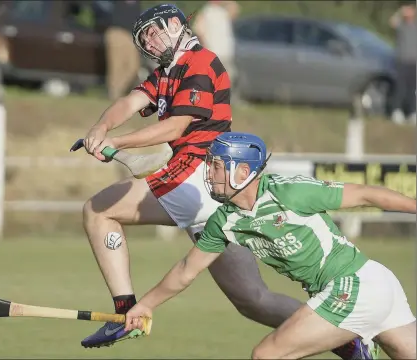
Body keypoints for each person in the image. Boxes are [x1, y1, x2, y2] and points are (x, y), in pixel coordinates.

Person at [79, 4, 377, 358]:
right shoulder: (167, 73)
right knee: (253, 300)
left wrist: (119, 141)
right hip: (212, 196)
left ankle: (123, 310)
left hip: (200, 176)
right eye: (145, 39)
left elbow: (177, 126)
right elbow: (130, 101)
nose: (152, 42)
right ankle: (347, 340)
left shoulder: (200, 62)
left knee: (98, 210)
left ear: (176, 24)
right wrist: (101, 127)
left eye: (155, 32)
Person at [124, 132, 416, 359]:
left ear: (242, 172)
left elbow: (365, 195)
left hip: (354, 284)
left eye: (215, 166)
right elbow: (187, 269)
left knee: (268, 355)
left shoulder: (288, 192)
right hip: (367, 288)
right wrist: (146, 305)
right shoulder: (224, 220)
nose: (208, 174)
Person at [104, 0, 141, 101]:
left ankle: (116, 93)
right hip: (117, 32)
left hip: (130, 36)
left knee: (133, 67)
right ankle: (113, 95)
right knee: (116, 67)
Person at [389, 3, 416, 125]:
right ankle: (396, 111)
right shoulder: (401, 26)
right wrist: (401, 11)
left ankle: (411, 113)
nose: (410, 13)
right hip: (402, 61)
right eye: (408, 11)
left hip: (414, 62)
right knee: (400, 87)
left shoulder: (415, 27)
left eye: (412, 11)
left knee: (412, 89)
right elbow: (392, 21)